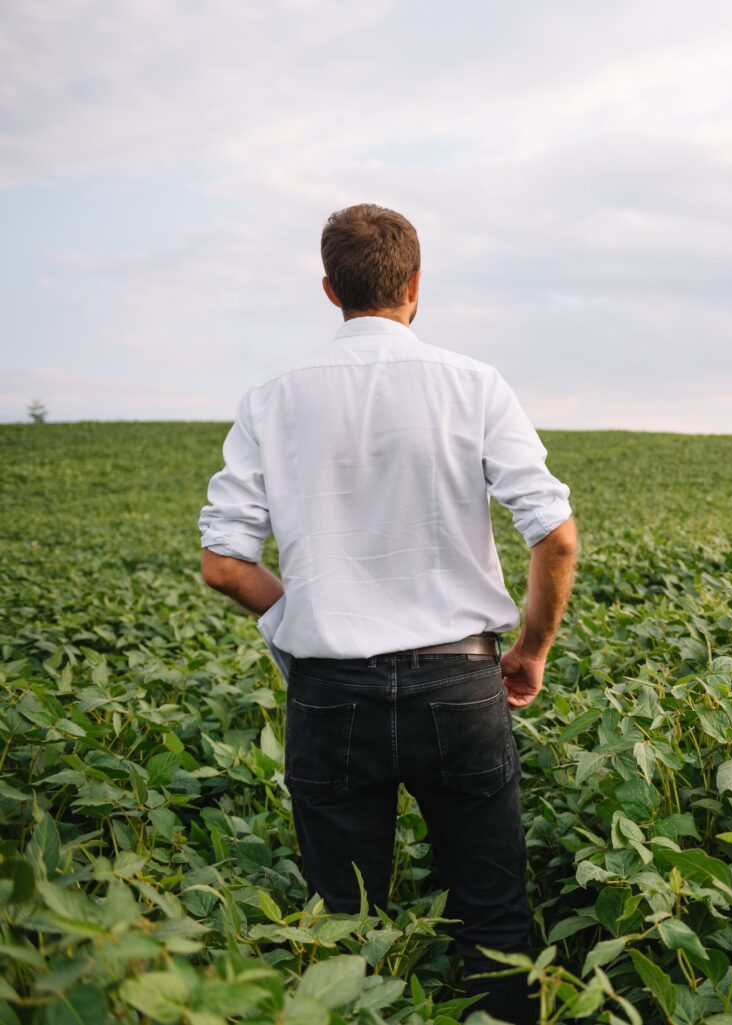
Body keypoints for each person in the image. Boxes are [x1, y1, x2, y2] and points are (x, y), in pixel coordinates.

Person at [197, 202, 577, 1024]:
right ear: (414, 286)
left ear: (330, 289)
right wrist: (531, 649)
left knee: (342, 933)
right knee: (494, 919)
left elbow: (224, 564)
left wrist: (306, 614)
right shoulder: (474, 384)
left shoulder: (272, 399)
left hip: (330, 693)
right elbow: (555, 537)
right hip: (462, 681)